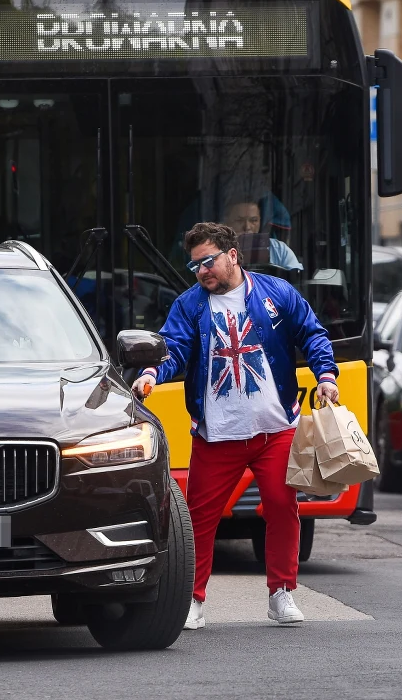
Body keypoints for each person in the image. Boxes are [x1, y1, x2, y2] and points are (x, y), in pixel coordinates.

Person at [132, 221, 339, 630]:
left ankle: (282, 593)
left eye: (208, 261)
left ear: (232, 255)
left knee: (282, 508)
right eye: (195, 265)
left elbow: (313, 334)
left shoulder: (277, 292)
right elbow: (173, 348)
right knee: (199, 519)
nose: (202, 271)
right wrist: (153, 372)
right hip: (217, 435)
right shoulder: (189, 305)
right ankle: (192, 599)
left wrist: (327, 376)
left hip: (275, 429)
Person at [223, 199, 303, 271]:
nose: (247, 227)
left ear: (260, 221)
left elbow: (295, 277)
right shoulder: (218, 250)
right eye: (239, 221)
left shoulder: (279, 250)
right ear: (227, 222)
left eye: (254, 220)